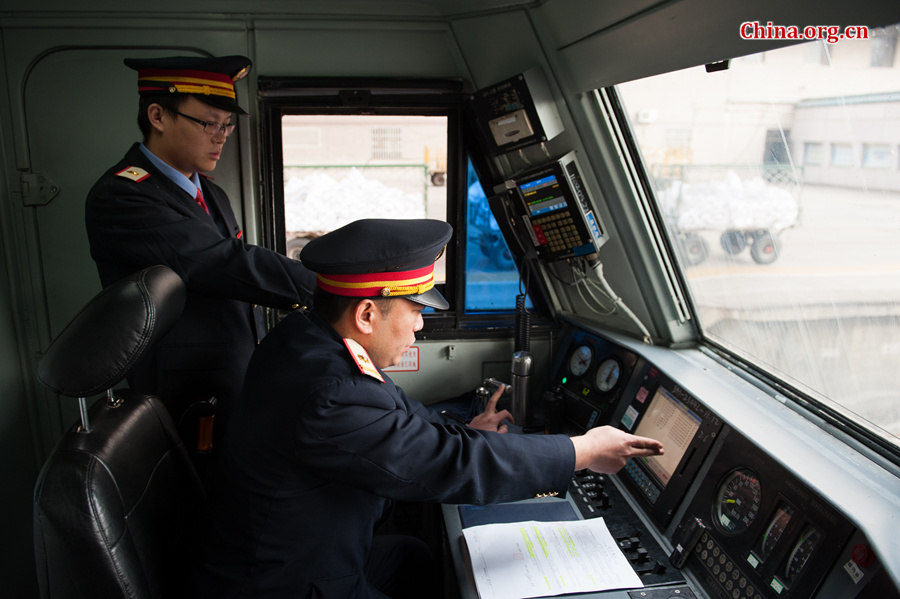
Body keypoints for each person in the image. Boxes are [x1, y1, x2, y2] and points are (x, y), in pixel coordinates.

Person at [197, 218, 664, 598]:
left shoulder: (306, 338)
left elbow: (396, 412)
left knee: (415, 559)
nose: (419, 327)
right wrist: (580, 450)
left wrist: (469, 426)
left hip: (298, 550)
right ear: (366, 315)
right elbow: (448, 464)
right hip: (284, 583)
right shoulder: (330, 392)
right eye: (416, 311)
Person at [84, 55, 316, 444]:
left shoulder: (210, 192)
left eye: (226, 125)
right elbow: (220, 262)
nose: (221, 135)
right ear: (157, 116)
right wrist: (327, 285)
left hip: (232, 378)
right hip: (183, 395)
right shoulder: (123, 195)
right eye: (208, 123)